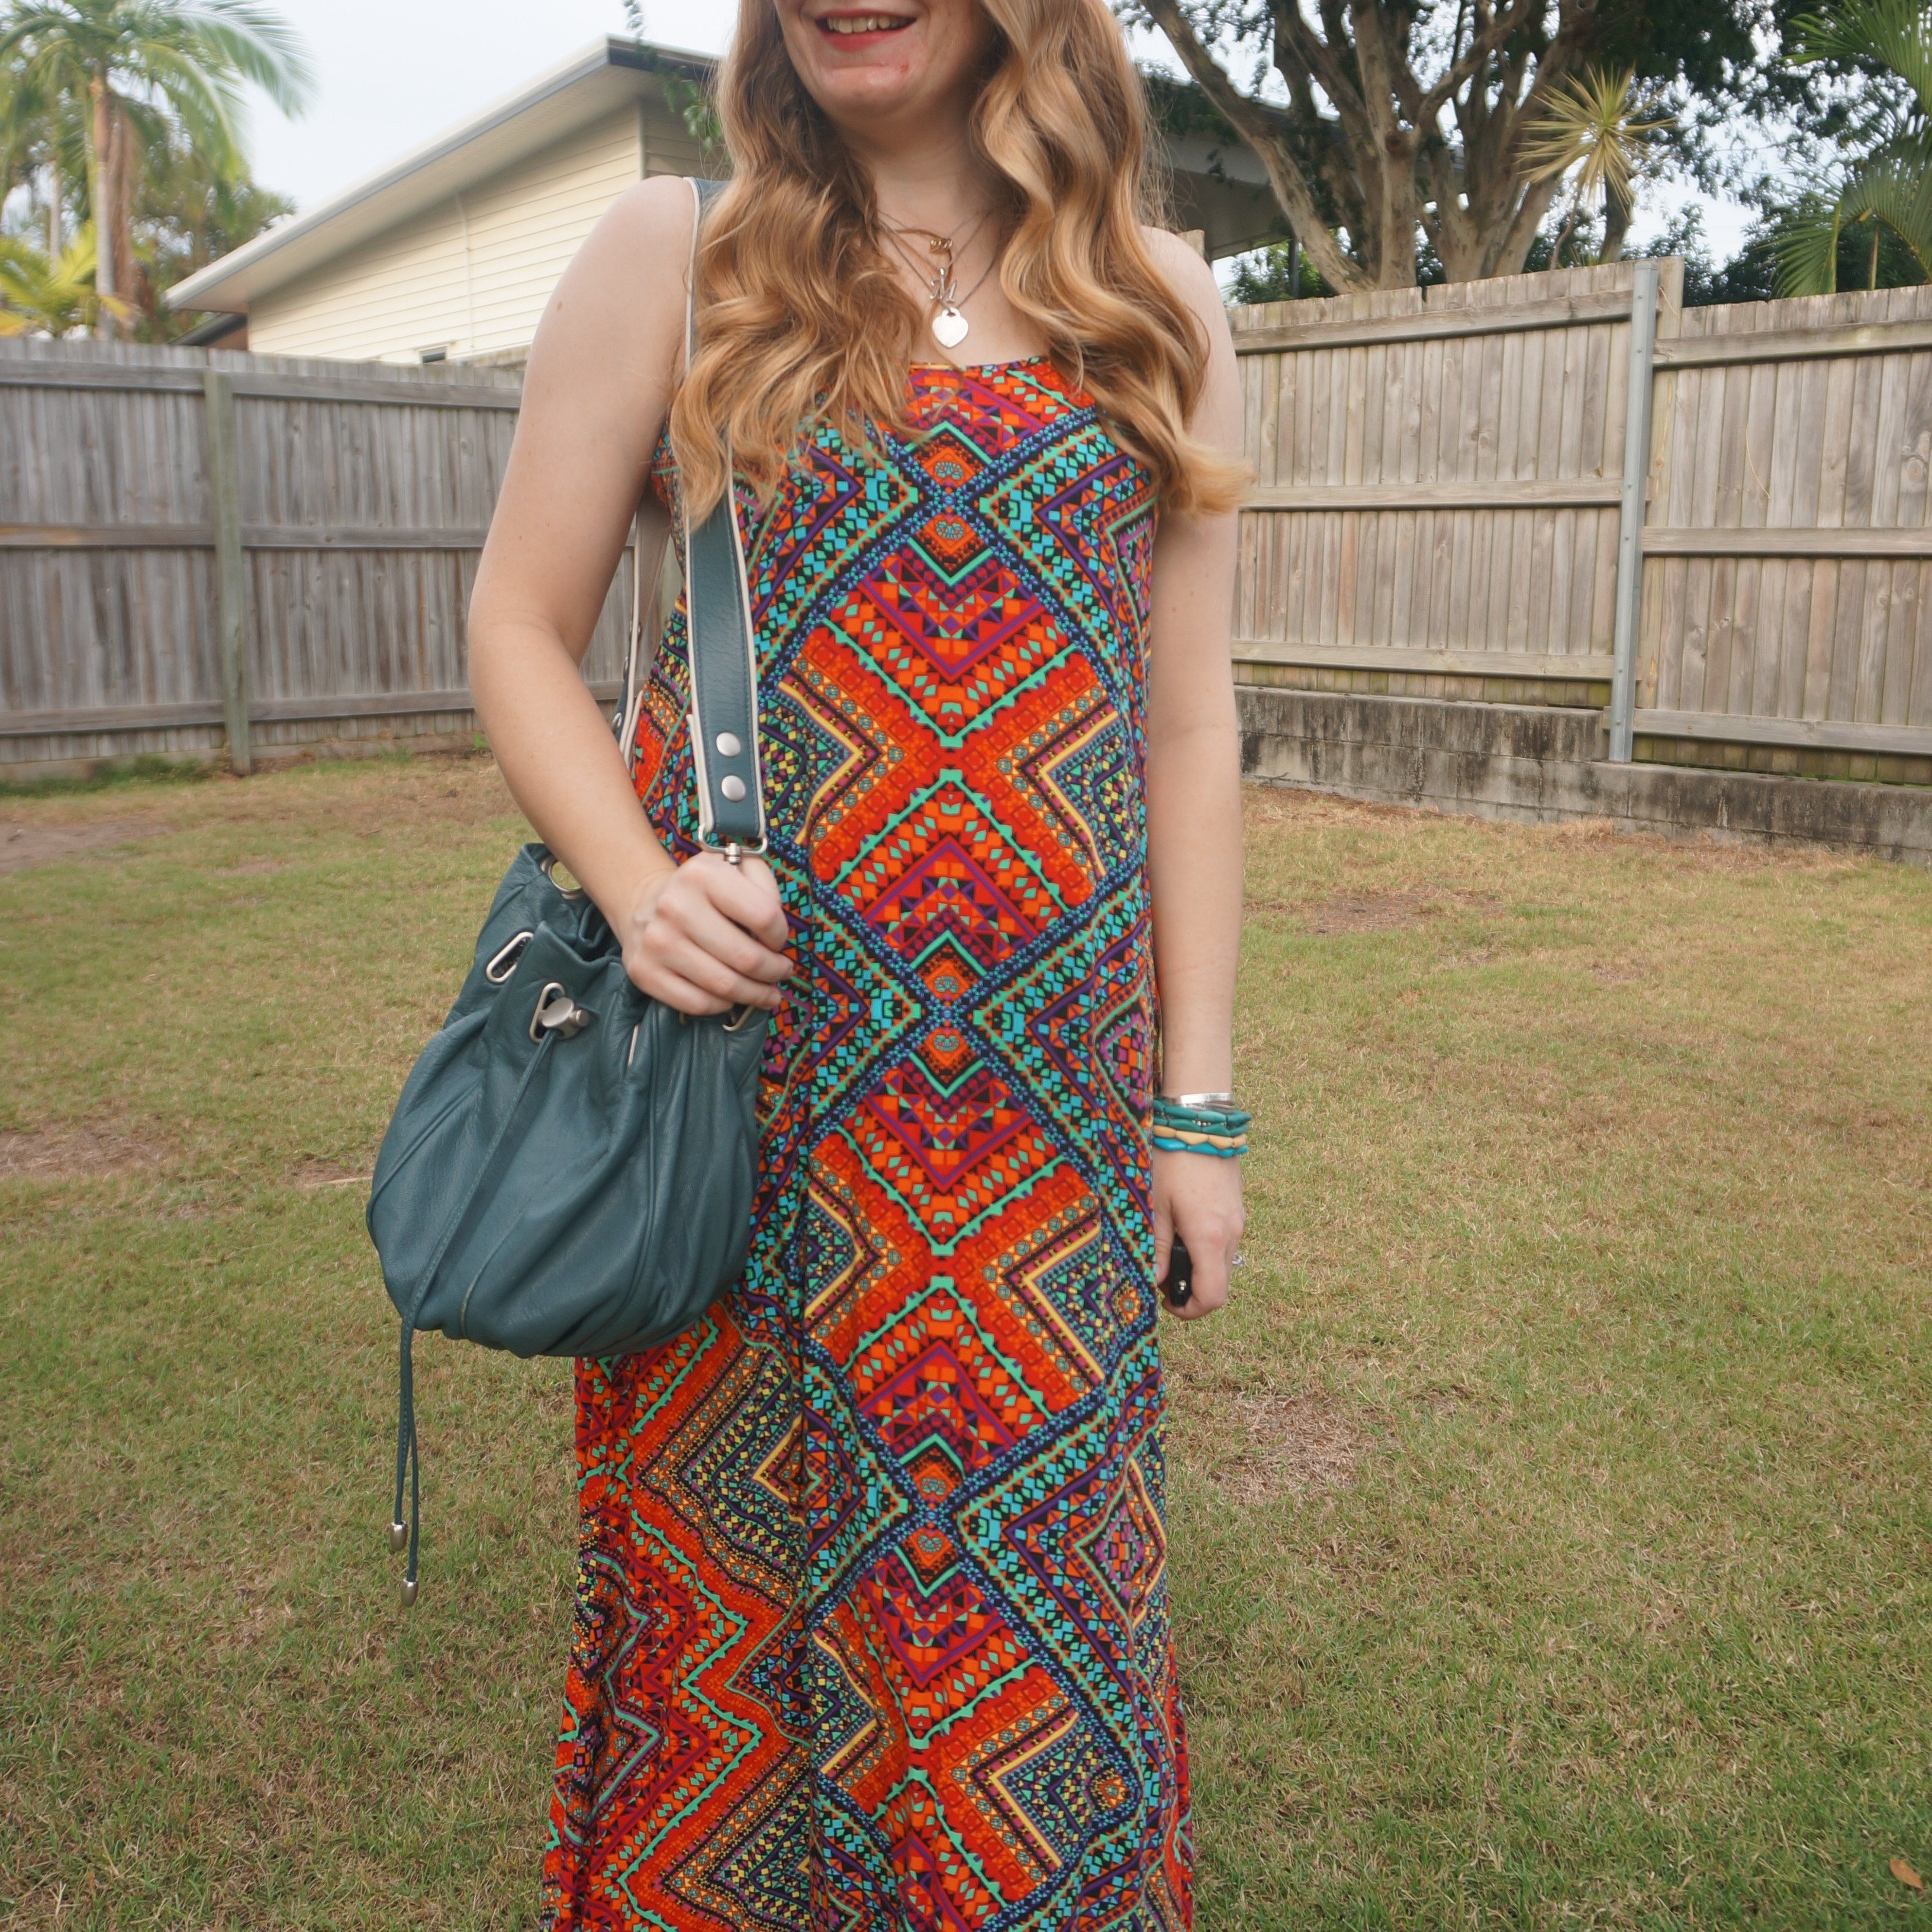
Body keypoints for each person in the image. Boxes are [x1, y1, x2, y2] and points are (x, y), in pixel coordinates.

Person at [466, 1, 1248, 1924]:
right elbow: (514, 615)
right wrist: (641, 886)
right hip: (753, 1102)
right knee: (729, 1633)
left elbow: (1189, 727)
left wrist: (1200, 1104)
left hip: (1042, 1144)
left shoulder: (1159, 297)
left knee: (1030, 1631)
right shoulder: (682, 253)